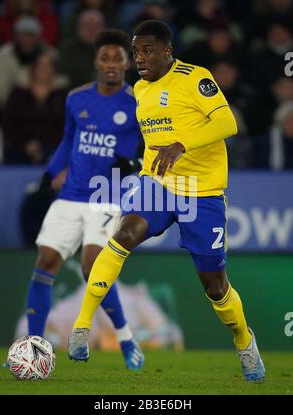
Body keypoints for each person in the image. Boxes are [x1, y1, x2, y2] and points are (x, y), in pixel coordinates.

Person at [68, 19, 265, 382]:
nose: (140, 58)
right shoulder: (140, 89)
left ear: (167, 51)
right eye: (136, 51)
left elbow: (227, 123)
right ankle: (81, 328)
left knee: (215, 285)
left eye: (147, 51)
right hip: (158, 184)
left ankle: (243, 339)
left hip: (201, 191)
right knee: (123, 235)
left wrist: (182, 144)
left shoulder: (195, 77)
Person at [26, 29, 144, 370]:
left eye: (118, 58)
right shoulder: (76, 99)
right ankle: (34, 349)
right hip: (71, 194)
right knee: (45, 261)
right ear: (96, 61)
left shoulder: (138, 101)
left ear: (128, 63)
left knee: (92, 266)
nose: (111, 64)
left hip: (107, 197)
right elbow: (68, 139)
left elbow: (152, 144)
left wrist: (134, 164)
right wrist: (51, 173)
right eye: (105, 57)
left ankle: (124, 337)